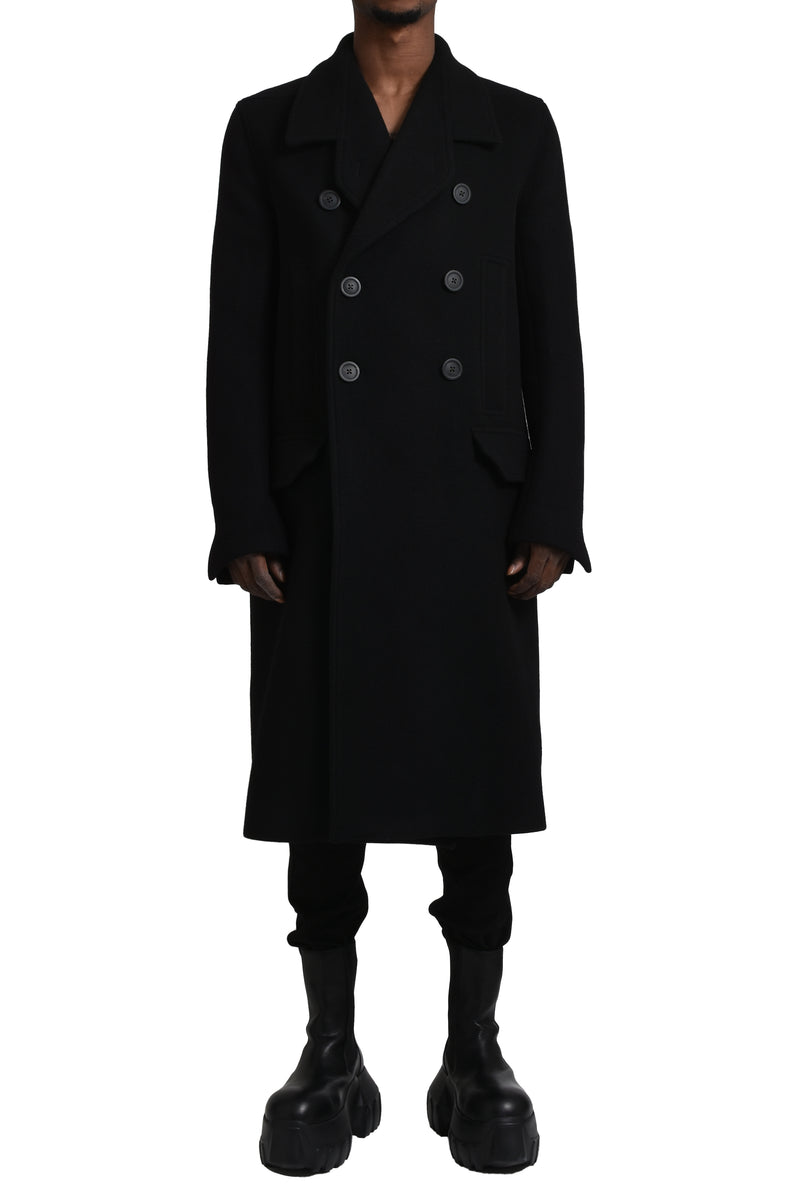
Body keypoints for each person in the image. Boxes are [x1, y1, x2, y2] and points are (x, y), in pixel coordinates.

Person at [205, 0, 591, 1177]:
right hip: (321, 509)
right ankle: (328, 1049)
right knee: (321, 797)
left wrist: (551, 508)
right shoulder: (269, 129)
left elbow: (552, 333)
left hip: (470, 512)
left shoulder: (512, 129)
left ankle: (473, 1050)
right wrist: (244, 512)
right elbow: (236, 336)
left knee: (475, 792)